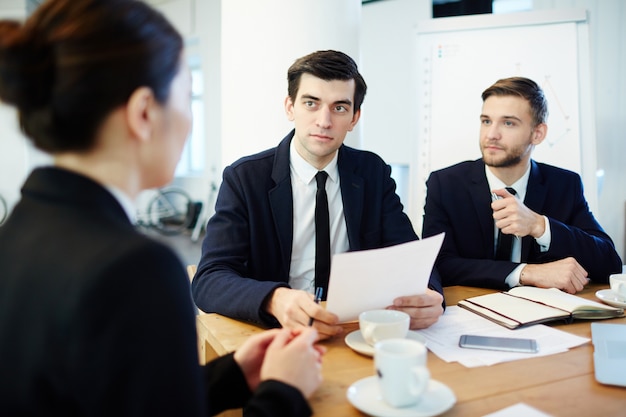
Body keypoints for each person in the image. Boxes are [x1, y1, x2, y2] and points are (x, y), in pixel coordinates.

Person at [0, 1, 323, 416]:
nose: (189, 120)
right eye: (187, 96)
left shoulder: (18, 232)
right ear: (144, 113)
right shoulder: (134, 268)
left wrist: (235, 376)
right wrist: (284, 391)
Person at [192, 50, 444, 339]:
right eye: (311, 103)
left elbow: (408, 256)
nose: (324, 121)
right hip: (277, 331)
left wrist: (431, 294)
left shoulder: (372, 172)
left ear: (354, 117)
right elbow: (210, 279)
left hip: (354, 329)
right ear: (290, 108)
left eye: (339, 108)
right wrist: (275, 299)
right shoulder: (245, 178)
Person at [422, 76, 622, 294]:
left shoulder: (565, 184)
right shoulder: (445, 184)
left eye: (508, 123)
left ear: (537, 133)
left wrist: (540, 226)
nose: (491, 134)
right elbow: (437, 264)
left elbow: (609, 263)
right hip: (467, 309)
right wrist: (526, 272)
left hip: (543, 317)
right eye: (486, 121)